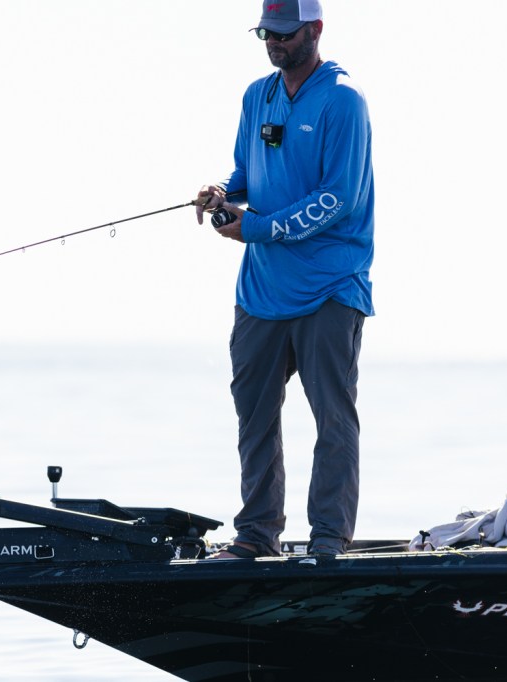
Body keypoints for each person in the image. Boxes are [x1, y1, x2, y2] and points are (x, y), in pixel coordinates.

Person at [196, 0, 374, 562]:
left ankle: (328, 540)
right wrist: (222, 193)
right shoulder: (257, 95)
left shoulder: (343, 100)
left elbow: (338, 198)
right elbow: (245, 175)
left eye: (284, 33)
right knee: (254, 420)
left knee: (333, 420)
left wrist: (256, 228)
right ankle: (256, 535)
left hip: (330, 288)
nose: (274, 43)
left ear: (314, 30)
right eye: (265, 34)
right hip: (261, 292)